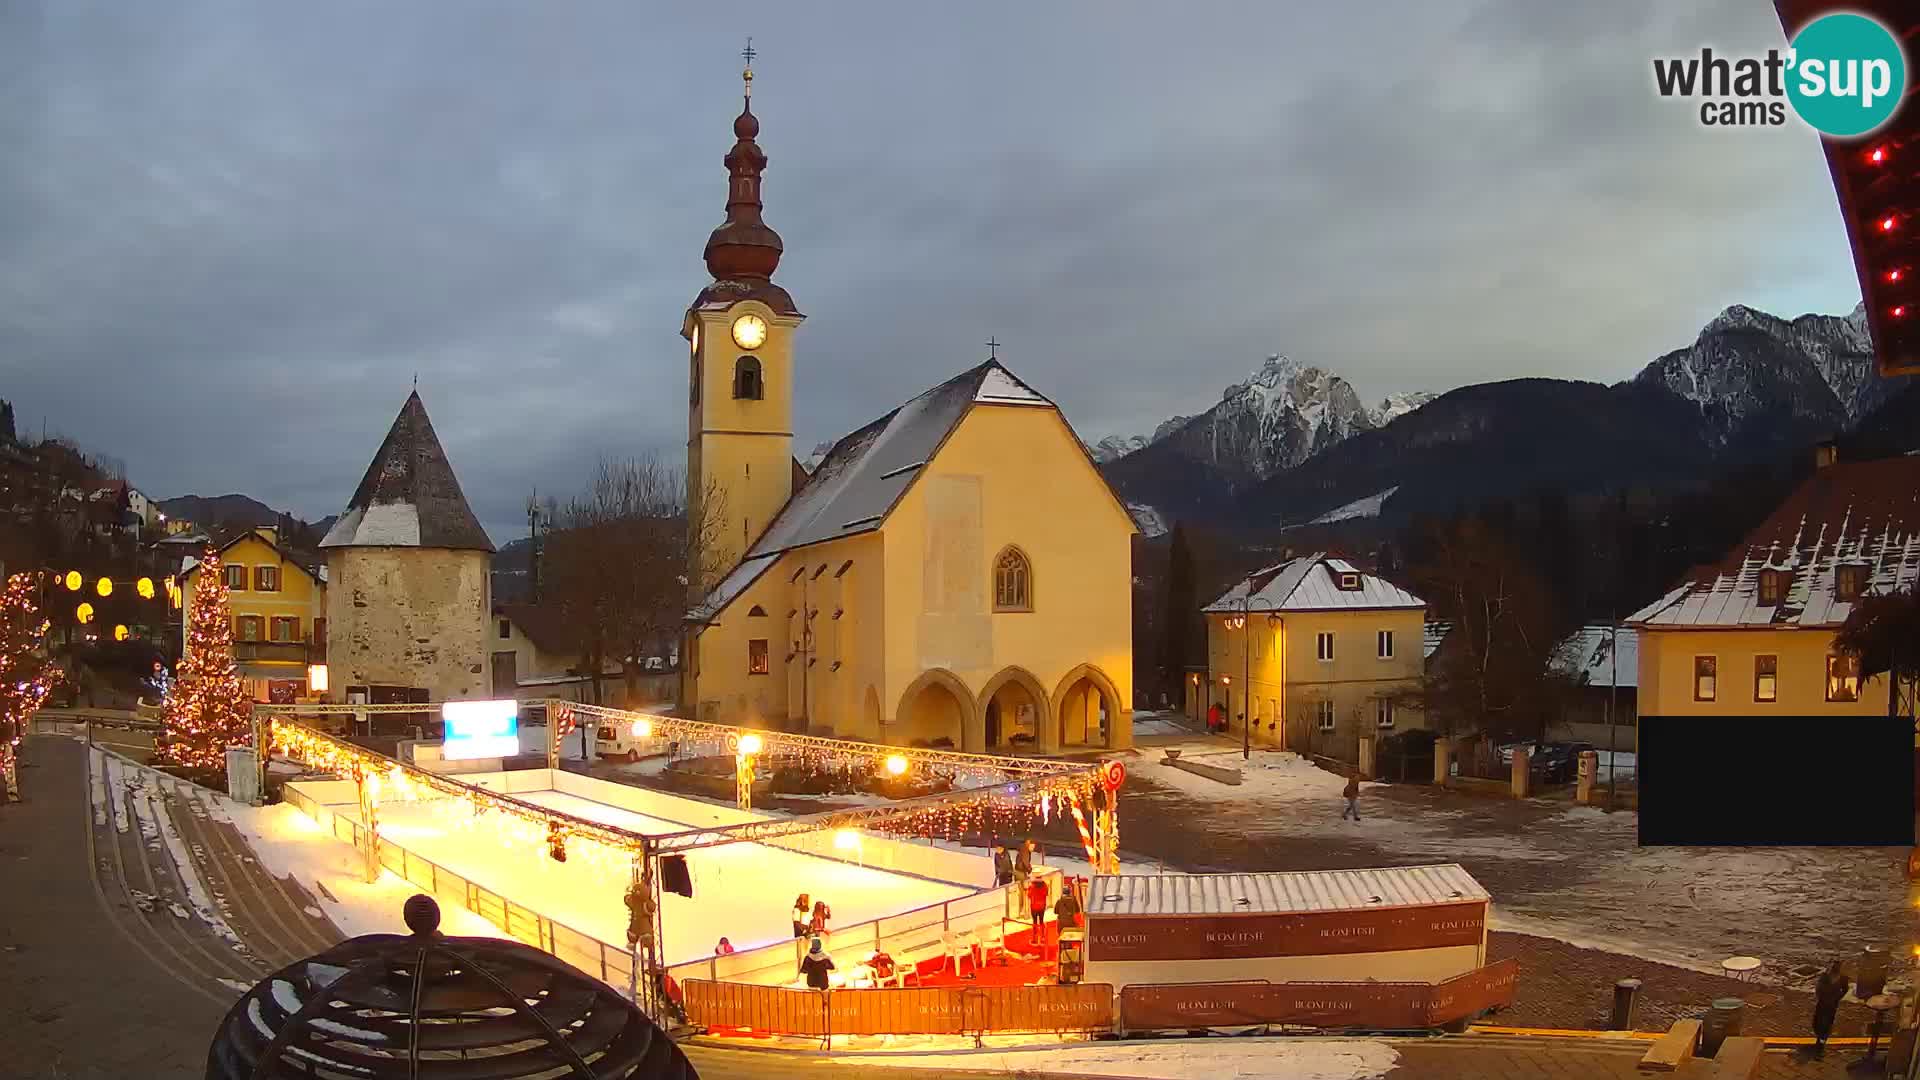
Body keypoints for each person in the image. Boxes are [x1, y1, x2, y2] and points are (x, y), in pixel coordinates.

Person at [1811, 960, 1850, 1056]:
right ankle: (1820, 1039)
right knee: (1818, 1021)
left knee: (1827, 1023)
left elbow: (1845, 989)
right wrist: (1821, 996)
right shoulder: (1825, 976)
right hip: (1823, 1003)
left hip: (1831, 1004)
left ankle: (1821, 1042)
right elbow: (1818, 988)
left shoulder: (1842, 978)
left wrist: (1837, 997)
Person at [1026, 875, 1051, 951]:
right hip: (1042, 906)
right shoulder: (1045, 886)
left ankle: (1034, 938)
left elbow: (1029, 895)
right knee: (1041, 921)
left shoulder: (1031, 886)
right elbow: (1046, 894)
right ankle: (1043, 937)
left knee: (1034, 922)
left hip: (1034, 906)